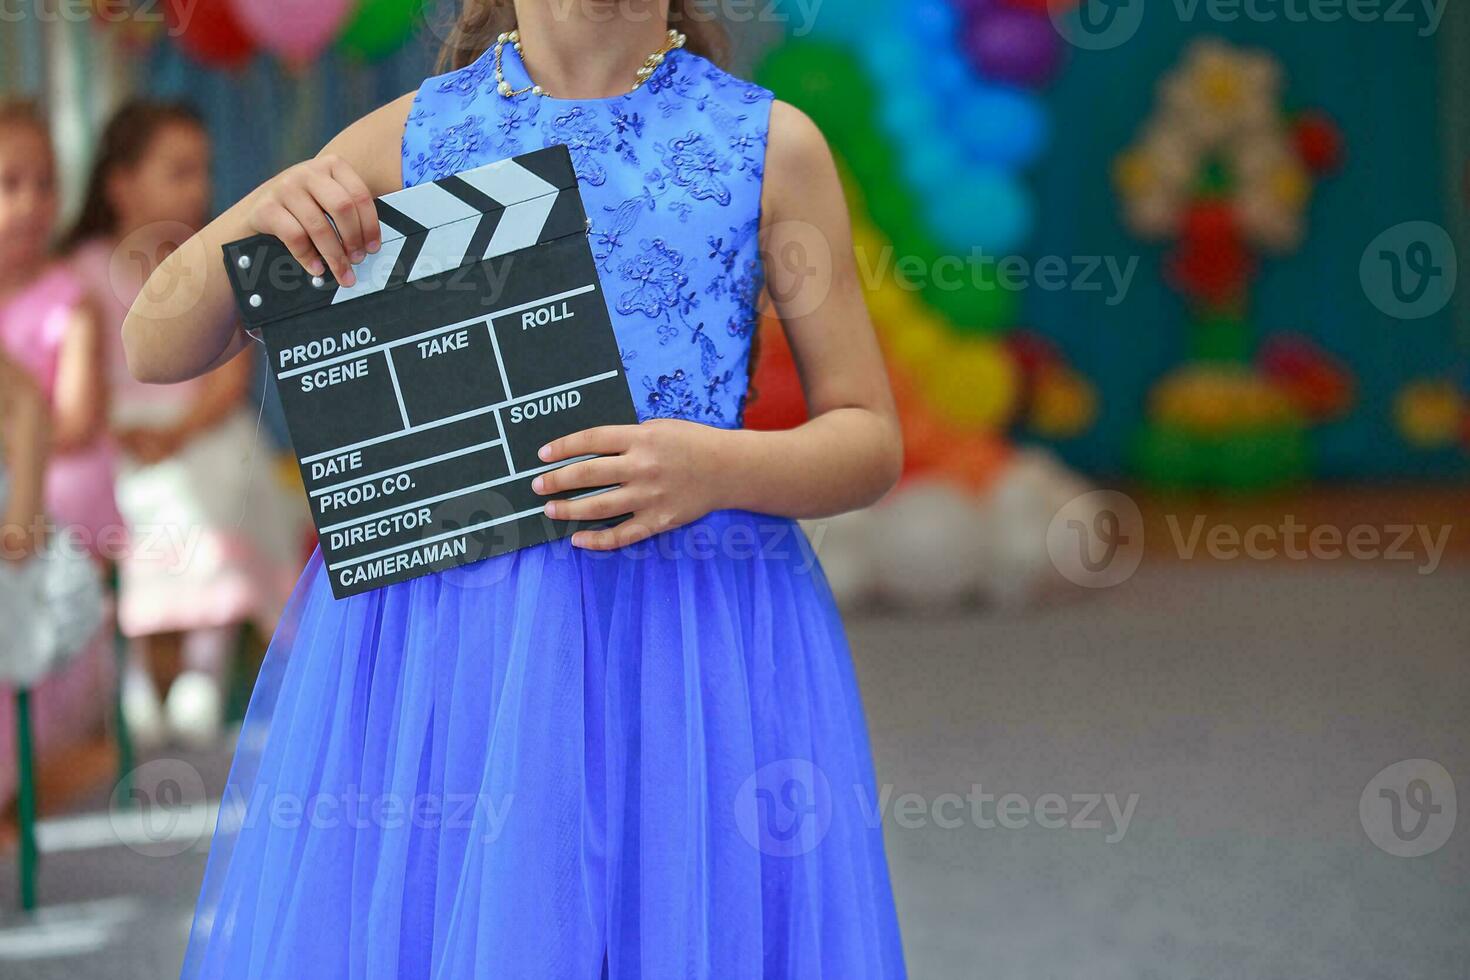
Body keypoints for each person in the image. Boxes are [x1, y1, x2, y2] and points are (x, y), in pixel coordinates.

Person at [127, 2, 907, 975]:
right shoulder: (407, 134)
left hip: (686, 627)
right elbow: (155, 342)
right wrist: (263, 206)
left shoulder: (770, 142)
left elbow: (869, 438)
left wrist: (717, 466)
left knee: (664, 913)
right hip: (453, 643)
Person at [65, 101, 306, 749]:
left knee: (227, 481)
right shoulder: (80, 272)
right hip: (110, 433)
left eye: (203, 170)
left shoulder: (210, 262)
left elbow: (231, 379)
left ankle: (205, 659)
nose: (198, 187)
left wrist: (178, 432)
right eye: (177, 171)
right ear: (120, 183)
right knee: (112, 497)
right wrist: (120, 433)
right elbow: (73, 375)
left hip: (200, 429)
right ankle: (134, 671)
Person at [0, 101, 114, 811]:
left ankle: (33, 746)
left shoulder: (69, 300)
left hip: (61, 466)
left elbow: (69, 420)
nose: (34, 201)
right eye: (11, 183)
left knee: (51, 509)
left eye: (45, 182)